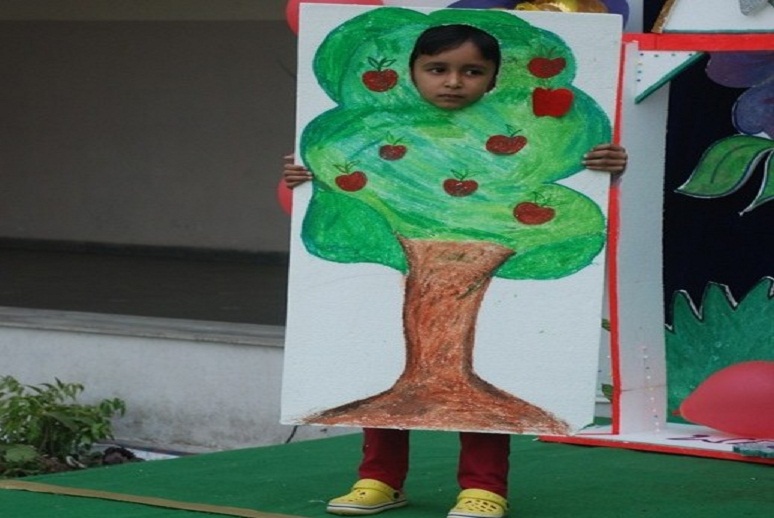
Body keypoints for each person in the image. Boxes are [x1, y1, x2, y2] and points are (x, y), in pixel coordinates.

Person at [283, 24, 627, 518]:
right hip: (406, 247)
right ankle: (378, 477)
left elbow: (603, 180)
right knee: (383, 368)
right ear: (412, 72)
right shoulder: (370, 135)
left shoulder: (528, 134)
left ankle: (483, 485)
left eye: (472, 71)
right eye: (437, 69)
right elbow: (323, 174)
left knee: (479, 374)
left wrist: (610, 165)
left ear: (492, 79)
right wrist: (302, 175)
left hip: (483, 240)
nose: (453, 82)